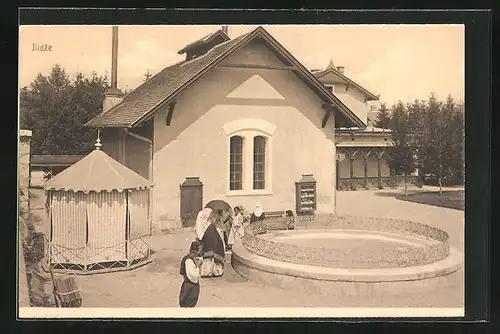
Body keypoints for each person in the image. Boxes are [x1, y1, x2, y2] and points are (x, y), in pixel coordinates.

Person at [195, 208, 225, 277]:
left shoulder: (208, 226)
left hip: (208, 245)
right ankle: (216, 272)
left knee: (208, 259)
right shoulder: (210, 226)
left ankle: (207, 272)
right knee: (212, 259)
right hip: (212, 245)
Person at [179, 241, 203, 308]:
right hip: (191, 286)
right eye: (200, 250)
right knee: (189, 305)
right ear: (195, 251)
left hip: (188, 285)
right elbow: (193, 276)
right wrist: (198, 266)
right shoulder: (189, 261)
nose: (200, 252)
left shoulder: (189, 258)